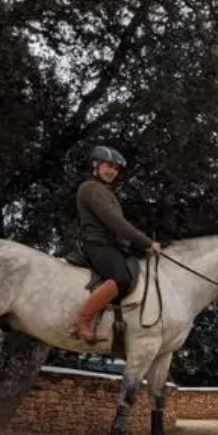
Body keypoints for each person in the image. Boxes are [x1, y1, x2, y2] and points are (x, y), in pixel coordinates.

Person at [71, 146, 161, 343]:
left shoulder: (104, 191)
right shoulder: (91, 188)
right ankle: (82, 320)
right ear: (96, 164)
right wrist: (148, 243)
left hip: (111, 245)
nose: (112, 171)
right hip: (97, 243)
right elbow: (115, 222)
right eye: (109, 166)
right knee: (121, 278)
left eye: (116, 169)